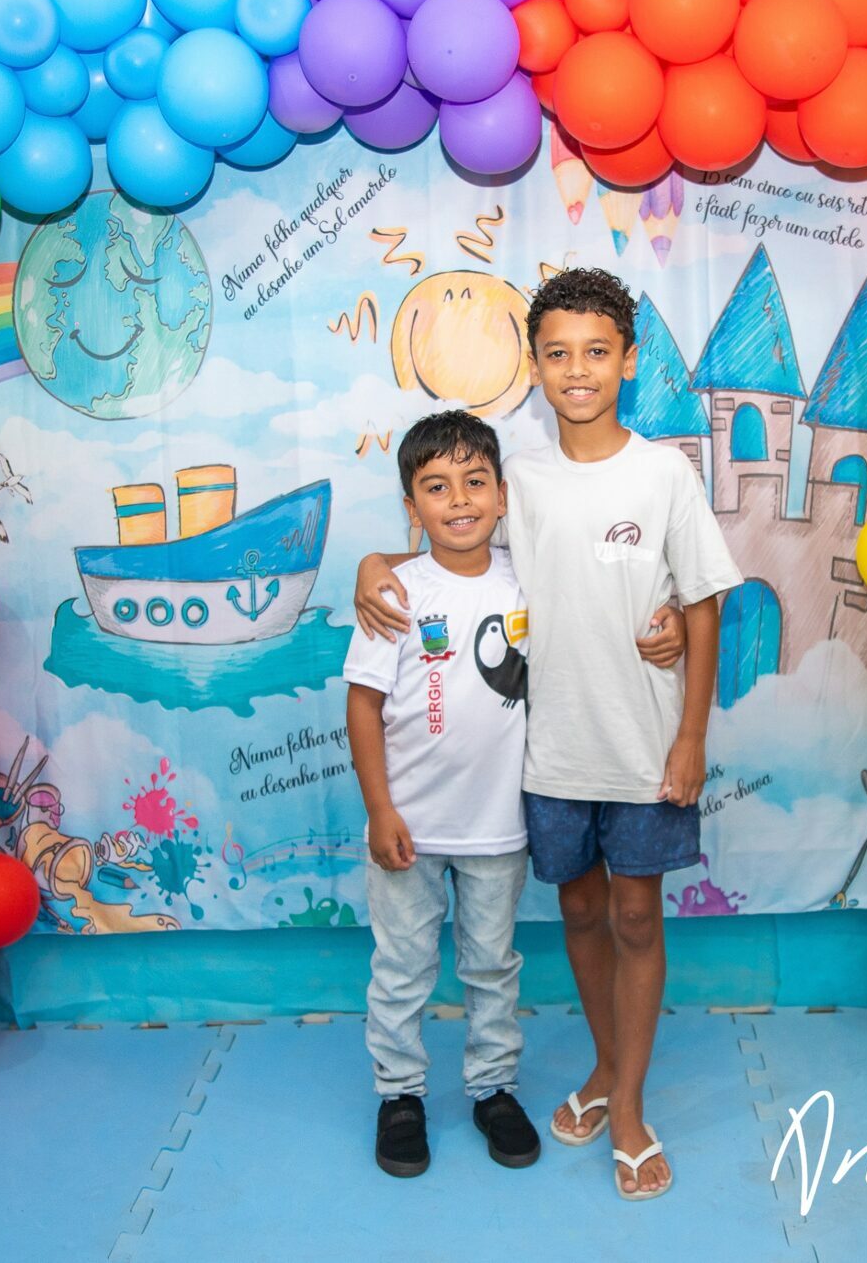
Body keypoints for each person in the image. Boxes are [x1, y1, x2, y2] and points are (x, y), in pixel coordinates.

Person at [355, 268, 742, 1200]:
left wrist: (691, 734)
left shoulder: (663, 473)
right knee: (577, 912)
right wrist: (370, 563)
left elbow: (701, 603)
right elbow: (448, 548)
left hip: (645, 747)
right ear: (533, 367)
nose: (578, 370)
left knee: (637, 916)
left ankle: (631, 1105)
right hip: (550, 755)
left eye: (597, 351)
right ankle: (605, 1067)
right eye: (559, 353)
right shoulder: (517, 480)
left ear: (629, 361)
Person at [343, 410, 541, 1180]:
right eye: (436, 486)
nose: (458, 499)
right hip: (410, 829)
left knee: (493, 965)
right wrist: (380, 809)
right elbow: (363, 705)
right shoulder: (394, 593)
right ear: (412, 506)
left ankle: (494, 1086)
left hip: (498, 827)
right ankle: (400, 1094)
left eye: (475, 481)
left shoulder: (531, 578)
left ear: (501, 496)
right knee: (401, 967)